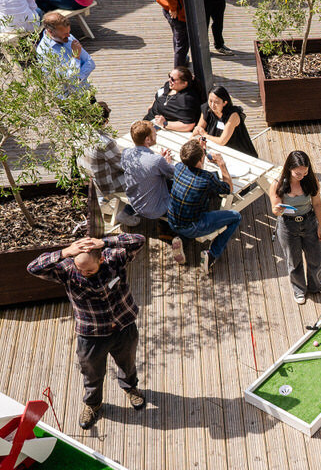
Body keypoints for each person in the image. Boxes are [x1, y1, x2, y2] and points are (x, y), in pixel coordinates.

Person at [28, 235, 148, 429]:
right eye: (80, 268)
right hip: (90, 334)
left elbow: (139, 240)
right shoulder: (67, 269)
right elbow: (33, 267)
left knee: (128, 362)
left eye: (88, 269)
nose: (83, 273)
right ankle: (93, 404)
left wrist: (107, 242)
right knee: (91, 373)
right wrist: (64, 253)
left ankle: (130, 387)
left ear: (101, 258)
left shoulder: (114, 258)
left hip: (123, 325)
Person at [167, 138, 242, 273]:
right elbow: (229, 189)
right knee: (236, 217)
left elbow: (197, 169)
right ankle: (212, 253)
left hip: (172, 221)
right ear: (201, 160)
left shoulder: (179, 167)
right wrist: (221, 164)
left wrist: (201, 150)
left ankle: (182, 240)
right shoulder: (206, 180)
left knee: (200, 201)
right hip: (193, 226)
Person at [270, 151, 321, 304]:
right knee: (294, 260)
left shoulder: (310, 181)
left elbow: (317, 203)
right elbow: (274, 208)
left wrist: (320, 226)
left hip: (309, 221)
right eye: (298, 173)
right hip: (288, 226)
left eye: (305, 172)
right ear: (289, 168)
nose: (302, 176)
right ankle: (299, 289)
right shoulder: (278, 184)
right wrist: (278, 210)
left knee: (316, 258)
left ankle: (316, 285)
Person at [121, 120, 177, 222]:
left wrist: (160, 161)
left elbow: (145, 165)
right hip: (155, 210)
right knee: (180, 184)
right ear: (147, 139)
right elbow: (175, 173)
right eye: (154, 133)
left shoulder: (126, 153)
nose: (156, 134)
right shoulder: (156, 161)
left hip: (134, 202)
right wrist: (167, 163)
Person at [35, 10, 95, 90]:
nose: (69, 35)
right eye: (64, 33)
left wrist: (78, 79)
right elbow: (66, 79)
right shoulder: (44, 51)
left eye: (69, 32)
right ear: (50, 32)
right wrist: (76, 56)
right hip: (66, 98)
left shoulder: (68, 37)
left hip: (84, 90)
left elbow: (90, 62)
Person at [78, 106, 126, 204]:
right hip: (105, 185)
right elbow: (122, 165)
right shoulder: (105, 143)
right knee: (143, 177)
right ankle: (131, 212)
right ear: (106, 121)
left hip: (87, 176)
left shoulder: (79, 130)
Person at [194, 84, 256, 155]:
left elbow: (222, 141)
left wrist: (205, 135)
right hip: (216, 149)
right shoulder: (207, 108)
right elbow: (198, 129)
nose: (212, 105)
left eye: (216, 102)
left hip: (238, 152)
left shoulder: (233, 116)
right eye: (210, 101)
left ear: (224, 103)